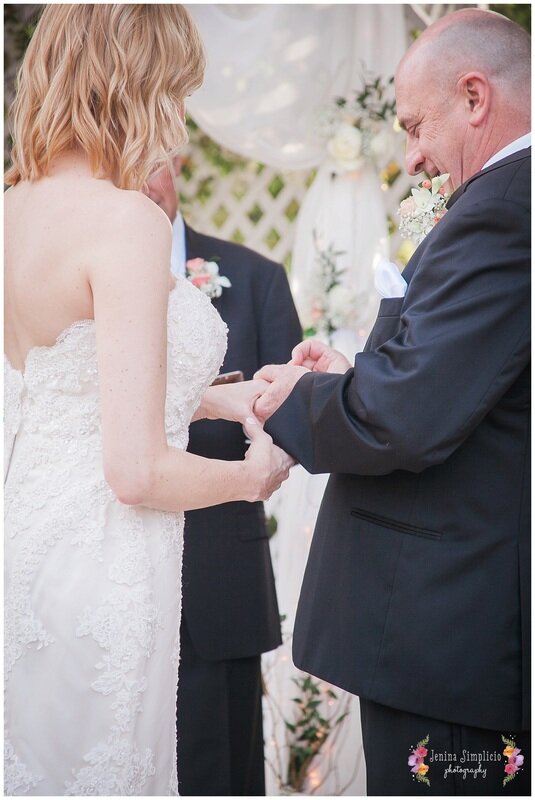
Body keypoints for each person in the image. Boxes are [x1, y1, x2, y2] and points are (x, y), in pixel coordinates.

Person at [4, 6, 292, 796]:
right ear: (140, 84)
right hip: (106, 559)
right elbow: (136, 471)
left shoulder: (14, 205)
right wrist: (249, 479)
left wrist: (219, 405)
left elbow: (72, 386)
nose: (180, 118)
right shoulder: (125, 220)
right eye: (176, 89)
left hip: (30, 552)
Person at [253, 9, 530, 796]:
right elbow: (461, 379)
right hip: (455, 631)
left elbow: (407, 414)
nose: (409, 157)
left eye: (414, 127)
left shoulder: (506, 211)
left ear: (474, 97)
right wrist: (350, 371)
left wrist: (297, 400)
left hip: (449, 645)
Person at [145, 161, 302, 795]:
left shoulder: (257, 278)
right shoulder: (76, 277)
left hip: (218, 584)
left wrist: (255, 419)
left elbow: (292, 423)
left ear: (176, 159)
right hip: (107, 570)